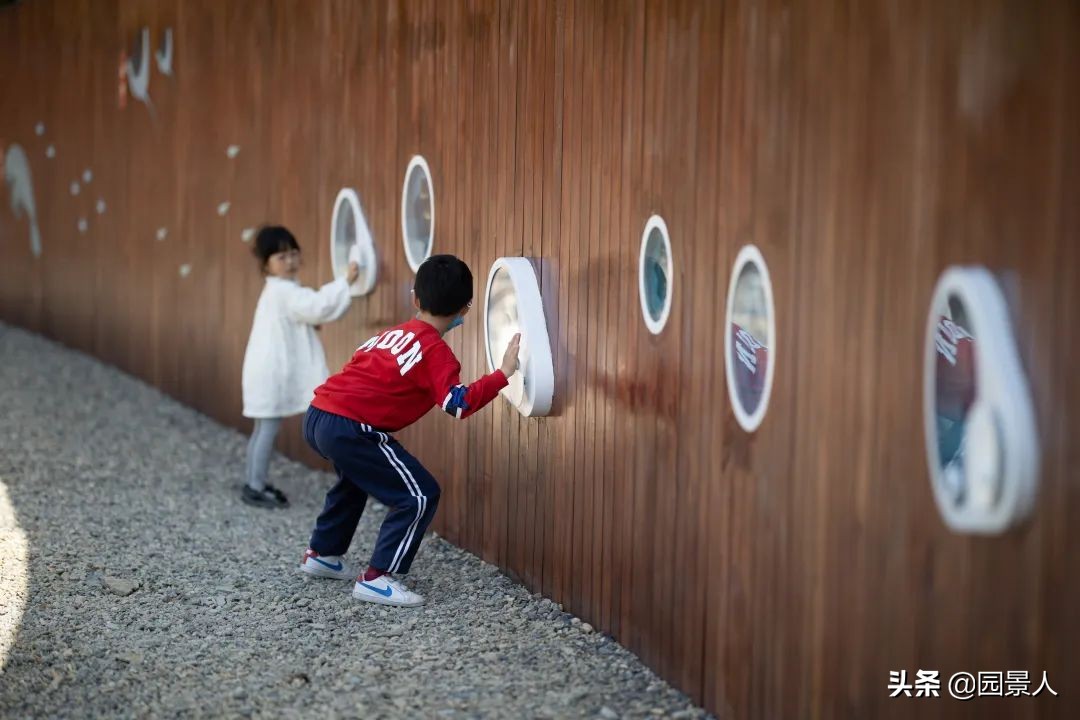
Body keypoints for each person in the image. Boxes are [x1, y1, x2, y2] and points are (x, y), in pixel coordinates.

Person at [298, 254, 520, 607]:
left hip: (318, 414)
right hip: (350, 426)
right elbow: (457, 404)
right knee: (419, 495)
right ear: (466, 307)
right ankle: (377, 578)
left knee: (354, 481)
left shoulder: (389, 335)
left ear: (415, 299)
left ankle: (323, 554)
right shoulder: (434, 350)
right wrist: (502, 374)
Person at [240, 225, 358, 509]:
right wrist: (345, 281)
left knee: (263, 428)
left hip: (265, 370)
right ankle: (254, 486)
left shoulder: (278, 290)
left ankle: (253, 482)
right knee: (266, 428)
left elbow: (306, 312)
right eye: (281, 257)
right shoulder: (284, 292)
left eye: (293, 254)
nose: (290, 261)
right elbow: (317, 306)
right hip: (271, 373)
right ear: (266, 264)